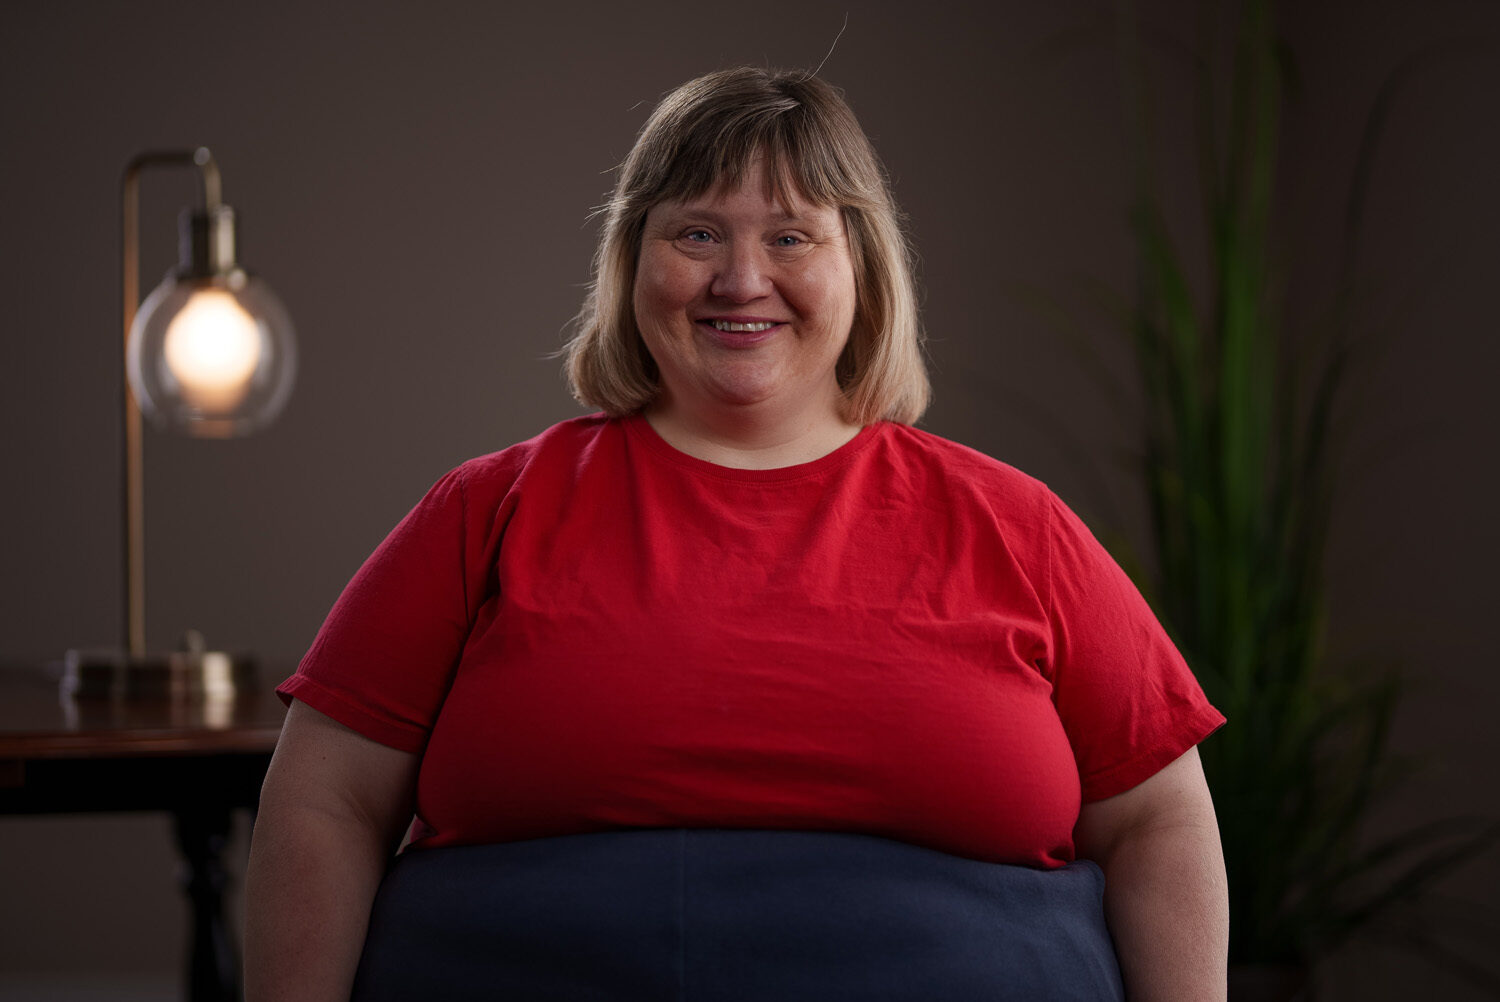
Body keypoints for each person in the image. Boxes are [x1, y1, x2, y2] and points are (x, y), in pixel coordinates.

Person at [245, 67, 1228, 1001]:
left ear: (861, 265)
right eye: (698, 234)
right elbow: (325, 801)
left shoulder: (1019, 527)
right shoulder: (483, 510)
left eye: (793, 237)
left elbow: (1159, 820)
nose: (742, 278)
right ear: (634, 258)